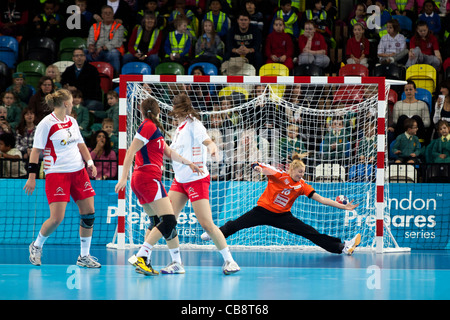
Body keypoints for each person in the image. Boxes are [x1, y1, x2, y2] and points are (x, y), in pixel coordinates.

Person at [202, 155, 361, 255]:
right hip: (262, 211)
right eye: (299, 172)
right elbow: (260, 166)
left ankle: (342, 246)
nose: (301, 175)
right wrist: (257, 167)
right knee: (236, 224)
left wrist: (344, 207)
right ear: (292, 169)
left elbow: (322, 199)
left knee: (309, 232)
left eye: (303, 173)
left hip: (283, 216)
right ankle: (214, 233)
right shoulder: (279, 176)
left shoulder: (302, 186)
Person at [114, 97, 203, 276]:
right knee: (169, 220)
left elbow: (169, 153)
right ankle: (142, 255)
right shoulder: (147, 126)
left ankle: (159, 261)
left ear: (141, 110)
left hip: (143, 179)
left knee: (156, 221)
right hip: (147, 178)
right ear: (158, 111)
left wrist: (189, 163)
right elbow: (130, 151)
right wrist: (123, 177)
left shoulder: (154, 130)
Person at [24, 89, 100, 268]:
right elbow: (36, 151)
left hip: (79, 172)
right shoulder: (46, 124)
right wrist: (31, 177)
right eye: (72, 101)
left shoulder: (72, 121)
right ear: (65, 103)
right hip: (57, 174)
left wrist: (89, 162)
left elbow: (81, 144)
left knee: (89, 214)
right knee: (57, 218)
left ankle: (84, 256)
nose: (73, 103)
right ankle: (36, 246)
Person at [168, 93, 240, 274]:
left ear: (179, 109)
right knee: (168, 221)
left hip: (196, 179)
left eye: (175, 108)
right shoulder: (179, 128)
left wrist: (213, 149)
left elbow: (207, 141)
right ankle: (176, 263)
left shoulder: (194, 124)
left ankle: (230, 261)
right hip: (180, 180)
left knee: (207, 224)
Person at [85, 5, 125, 75]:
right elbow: (90, 39)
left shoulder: (119, 27)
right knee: (82, 53)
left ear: (113, 14)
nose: (108, 15)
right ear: (102, 15)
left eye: (110, 13)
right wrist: (91, 46)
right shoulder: (94, 26)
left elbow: (116, 42)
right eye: (105, 13)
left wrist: (102, 48)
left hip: (110, 51)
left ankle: (115, 76)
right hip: (96, 52)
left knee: (113, 53)